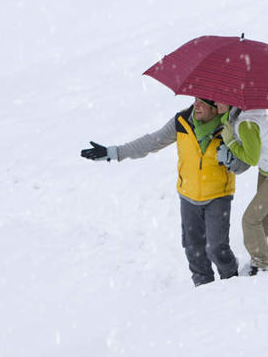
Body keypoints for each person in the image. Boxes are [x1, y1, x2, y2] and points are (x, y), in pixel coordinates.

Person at [80, 97, 238, 286]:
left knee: (217, 249)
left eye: (202, 102)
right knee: (193, 249)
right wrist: (113, 152)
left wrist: (231, 157)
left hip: (218, 196)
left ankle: (232, 284)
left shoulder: (228, 127)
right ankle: (203, 289)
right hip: (188, 195)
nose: (196, 105)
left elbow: (246, 159)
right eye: (194, 99)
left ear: (215, 107)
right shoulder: (182, 121)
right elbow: (152, 142)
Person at [215, 103, 268, 275]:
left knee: (250, 220)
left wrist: (230, 141)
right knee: (265, 215)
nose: (215, 104)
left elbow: (251, 158)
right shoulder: (239, 114)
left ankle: (262, 265)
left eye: (219, 100)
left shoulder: (245, 123)